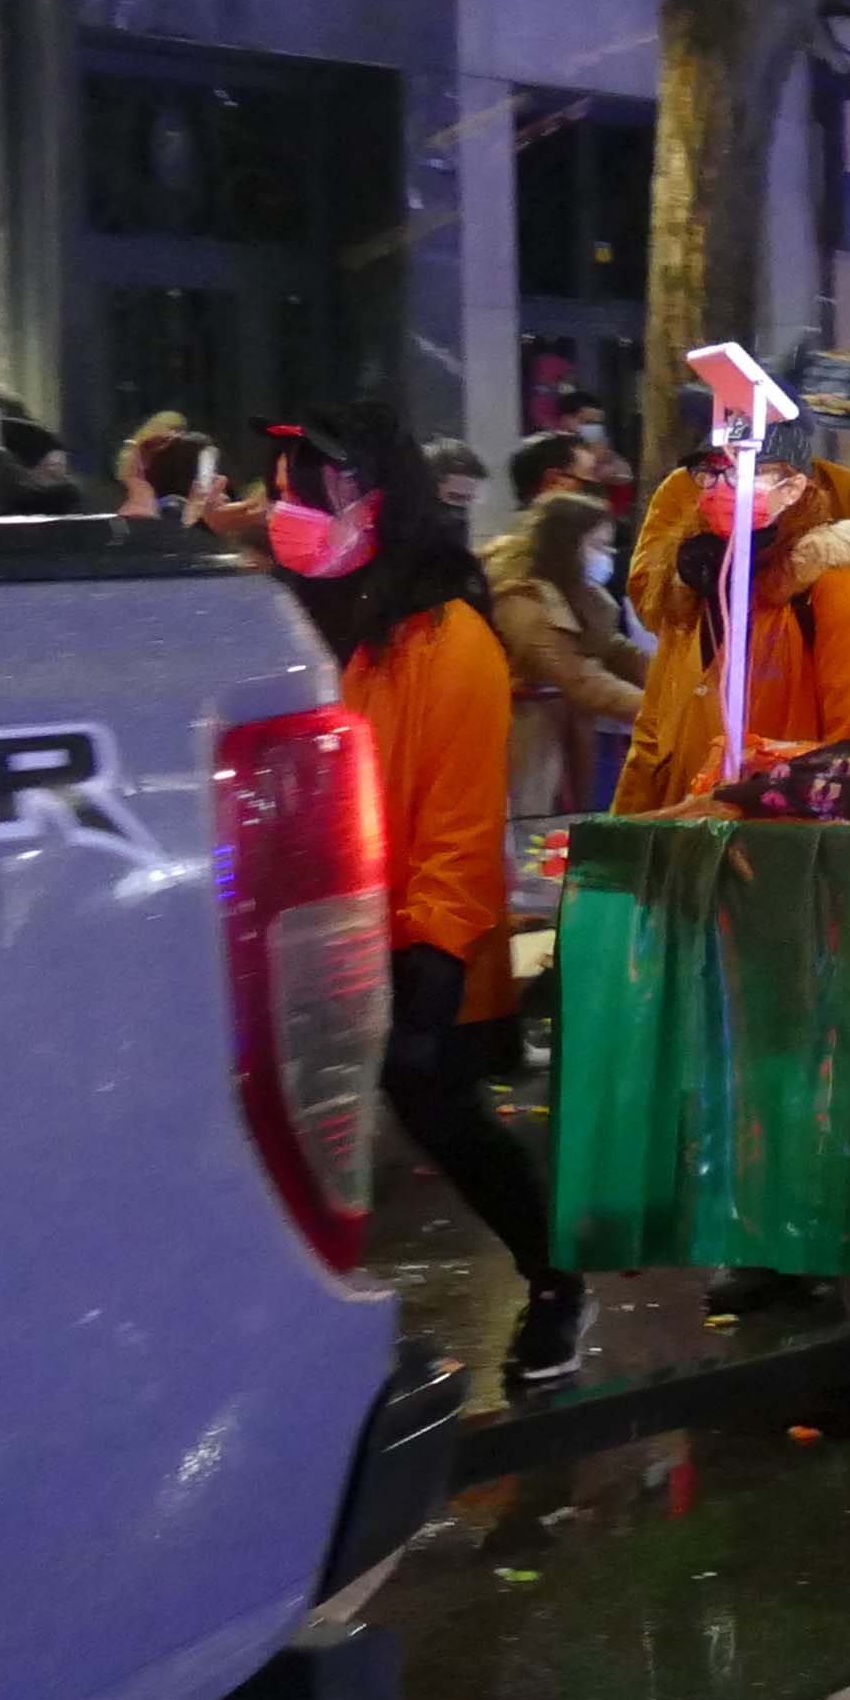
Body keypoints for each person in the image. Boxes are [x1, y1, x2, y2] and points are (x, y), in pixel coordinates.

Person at [264, 411, 588, 1389]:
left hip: (408, 934)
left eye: (301, 490)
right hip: (300, 937)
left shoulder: (448, 639)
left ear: (370, 496)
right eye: (275, 486)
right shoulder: (301, 616)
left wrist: (434, 962)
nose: (285, 510)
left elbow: (455, 822)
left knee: (441, 1111)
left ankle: (556, 1278)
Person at [616, 429, 850, 808]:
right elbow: (654, 734)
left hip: (782, 849)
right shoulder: (698, 591)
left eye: (745, 472)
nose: (722, 487)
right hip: (686, 843)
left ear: (793, 488)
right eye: (714, 471)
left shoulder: (845, 594)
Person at [485, 474, 646, 829]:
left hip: (563, 732)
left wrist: (670, 680)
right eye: (598, 546)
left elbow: (612, 649)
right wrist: (657, 713)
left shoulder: (580, 596)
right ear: (567, 545)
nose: (607, 557)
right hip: (529, 739)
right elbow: (578, 676)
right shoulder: (522, 600)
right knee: (534, 833)